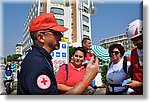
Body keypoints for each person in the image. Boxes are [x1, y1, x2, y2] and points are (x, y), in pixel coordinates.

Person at [17, 13, 99, 95]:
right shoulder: (37, 63)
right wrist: (86, 79)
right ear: (41, 37)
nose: (61, 36)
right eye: (56, 32)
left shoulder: (41, 58)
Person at [125, 19, 143, 95]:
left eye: (136, 40)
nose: (134, 44)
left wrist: (139, 84)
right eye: (133, 41)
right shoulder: (133, 52)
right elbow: (132, 67)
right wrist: (128, 76)